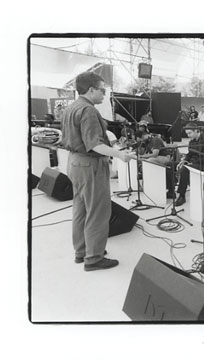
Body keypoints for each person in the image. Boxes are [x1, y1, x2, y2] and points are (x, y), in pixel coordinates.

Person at [60, 71, 135, 271]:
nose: (104, 95)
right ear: (91, 89)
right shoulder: (89, 110)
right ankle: (94, 258)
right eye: (102, 90)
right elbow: (94, 145)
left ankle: (82, 252)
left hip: (75, 163)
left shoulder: (71, 108)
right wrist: (120, 155)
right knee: (98, 211)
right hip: (90, 165)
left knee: (81, 209)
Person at [175, 122, 204, 206]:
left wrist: (190, 163)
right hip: (194, 163)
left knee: (185, 169)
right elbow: (190, 154)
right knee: (171, 164)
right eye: (187, 134)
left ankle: (182, 195)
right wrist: (184, 160)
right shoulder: (192, 142)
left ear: (196, 131)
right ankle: (171, 191)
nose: (188, 136)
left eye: (190, 133)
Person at [136, 130, 180, 199]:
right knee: (145, 161)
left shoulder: (155, 139)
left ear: (144, 135)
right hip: (157, 157)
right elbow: (147, 153)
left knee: (149, 161)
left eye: (141, 139)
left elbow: (155, 154)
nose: (141, 141)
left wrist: (141, 156)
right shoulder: (147, 142)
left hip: (165, 157)